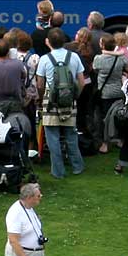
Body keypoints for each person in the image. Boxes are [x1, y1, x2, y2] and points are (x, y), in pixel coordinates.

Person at [35, 28, 87, 179]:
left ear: (48, 41)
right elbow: (82, 82)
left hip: (50, 101)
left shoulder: (45, 59)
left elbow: (40, 84)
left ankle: (58, 171)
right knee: (71, 134)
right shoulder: (74, 57)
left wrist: (41, 98)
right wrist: (75, 96)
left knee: (52, 136)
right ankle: (77, 166)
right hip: (69, 99)